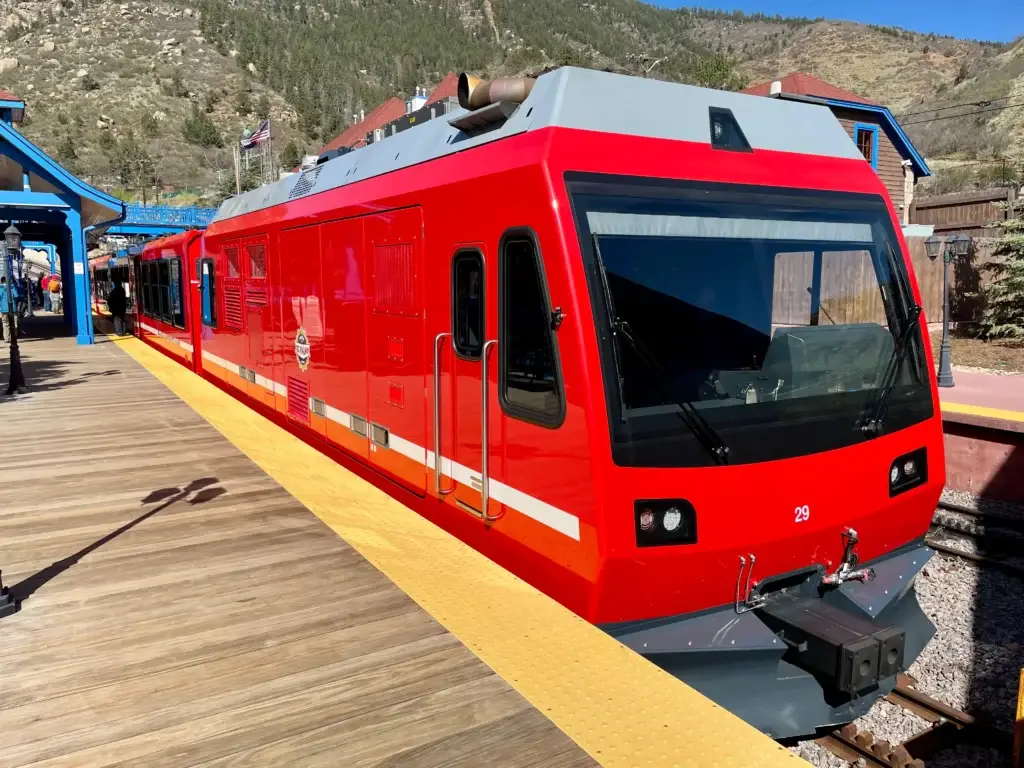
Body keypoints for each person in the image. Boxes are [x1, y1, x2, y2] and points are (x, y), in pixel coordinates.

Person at [0, 276, 16, 343]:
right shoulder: (12, 287)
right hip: (12, 308)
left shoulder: (1, 289)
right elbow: (16, 295)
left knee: (5, 323)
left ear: (1, 281)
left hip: (4, 309)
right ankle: (14, 337)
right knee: (13, 323)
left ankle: (7, 338)